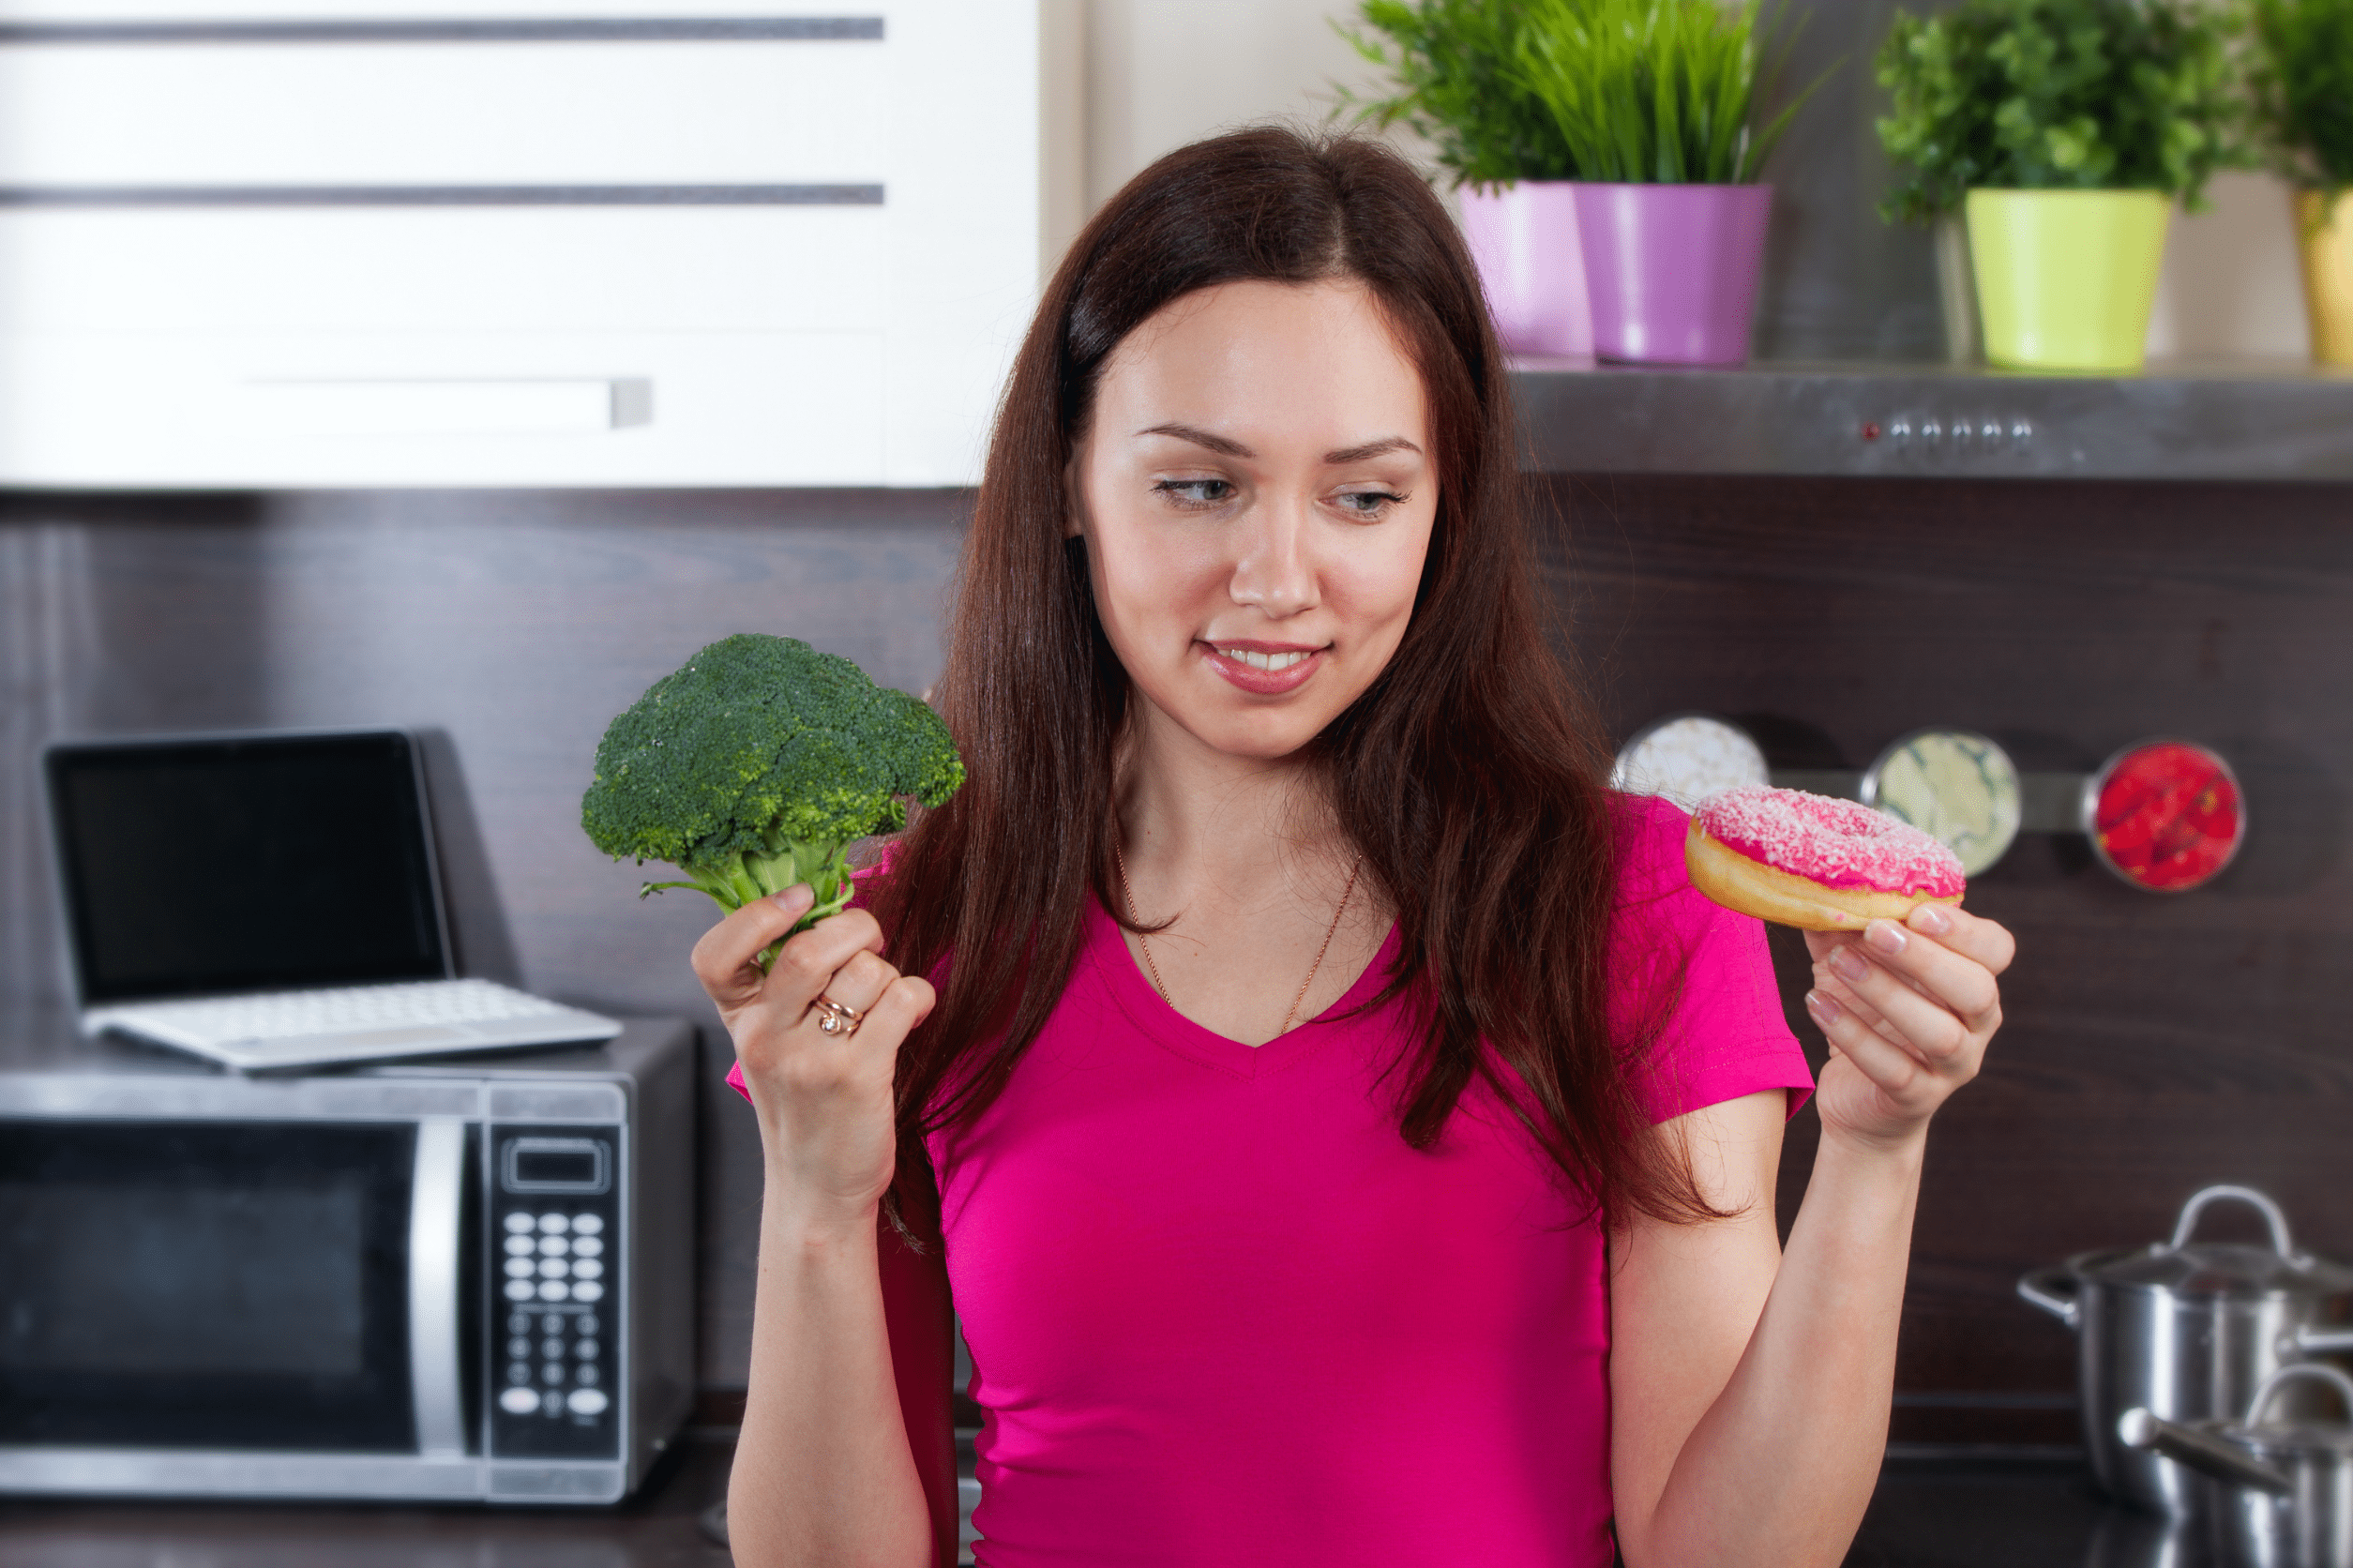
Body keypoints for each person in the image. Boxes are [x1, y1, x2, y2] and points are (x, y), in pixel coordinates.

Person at [700, 127, 2014, 1568]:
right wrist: (816, 1197)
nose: (1279, 581)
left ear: (1444, 513)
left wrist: (1878, 1151)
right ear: (1070, 482)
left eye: (1365, 496)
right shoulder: (898, 948)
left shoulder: (1635, 904)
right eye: (1199, 486)